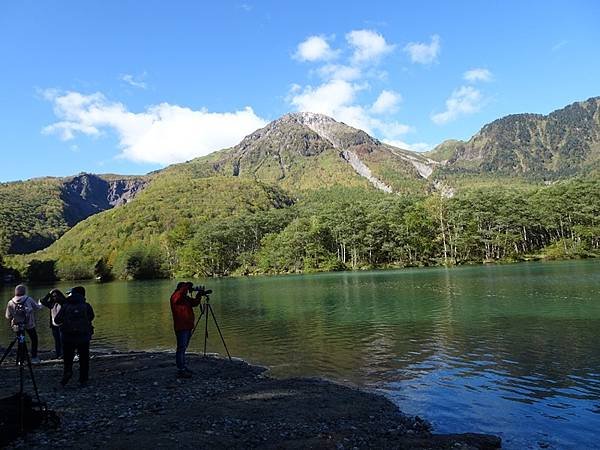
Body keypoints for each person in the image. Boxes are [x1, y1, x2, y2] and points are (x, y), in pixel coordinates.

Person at [55, 286, 94, 386]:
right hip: (83, 336)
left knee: (68, 358)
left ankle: (67, 372)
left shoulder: (65, 305)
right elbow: (91, 317)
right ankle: (83, 379)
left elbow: (57, 320)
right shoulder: (86, 306)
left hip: (67, 336)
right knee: (84, 358)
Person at [170, 282, 202, 378]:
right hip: (181, 327)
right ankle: (181, 370)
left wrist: (199, 294)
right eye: (185, 289)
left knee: (183, 348)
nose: (187, 291)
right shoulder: (175, 297)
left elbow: (195, 303)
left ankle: (183, 367)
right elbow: (179, 295)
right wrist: (187, 285)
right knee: (181, 348)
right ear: (181, 289)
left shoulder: (185, 298)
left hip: (188, 326)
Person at [5, 284, 43, 363]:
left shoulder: (10, 302)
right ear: (24, 291)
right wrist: (40, 303)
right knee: (34, 339)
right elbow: (38, 307)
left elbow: (8, 316)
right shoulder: (28, 299)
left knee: (21, 341)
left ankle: (21, 359)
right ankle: (34, 357)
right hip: (29, 324)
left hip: (17, 325)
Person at [40, 288, 67, 359]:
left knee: (63, 341)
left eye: (56, 296)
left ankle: (64, 354)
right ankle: (58, 355)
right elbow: (42, 301)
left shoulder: (64, 303)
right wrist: (49, 293)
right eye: (53, 296)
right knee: (57, 341)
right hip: (54, 326)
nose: (55, 297)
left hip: (63, 325)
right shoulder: (51, 304)